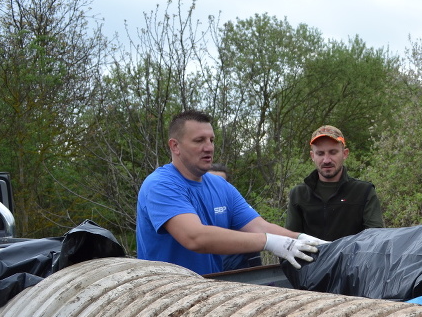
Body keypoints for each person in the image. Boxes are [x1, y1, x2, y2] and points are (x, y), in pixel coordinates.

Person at [136, 110, 327, 275]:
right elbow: (195, 237)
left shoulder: (220, 185)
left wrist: (304, 240)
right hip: (166, 297)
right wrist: (269, 242)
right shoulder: (160, 185)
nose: (208, 147)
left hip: (210, 291)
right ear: (175, 146)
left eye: (211, 140)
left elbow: (259, 226)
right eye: (199, 140)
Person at [285, 125, 384, 242]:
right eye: (320, 154)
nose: (326, 160)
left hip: (352, 259)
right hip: (312, 260)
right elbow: (289, 241)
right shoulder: (299, 194)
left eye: (333, 152)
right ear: (312, 156)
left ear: (345, 153)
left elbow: (376, 240)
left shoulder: (364, 191)